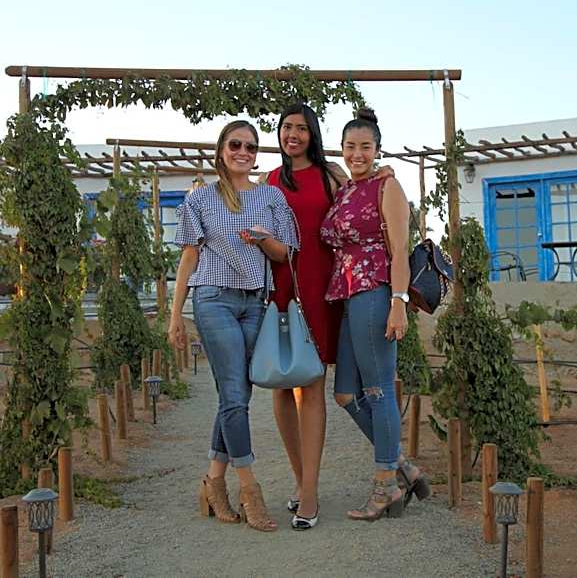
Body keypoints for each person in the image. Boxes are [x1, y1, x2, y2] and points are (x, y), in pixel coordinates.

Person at [169, 120, 299, 533]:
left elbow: (284, 254)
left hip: (254, 303)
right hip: (213, 300)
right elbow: (189, 258)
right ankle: (250, 489)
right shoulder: (201, 199)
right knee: (234, 397)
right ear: (221, 151)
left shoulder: (271, 197)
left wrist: (262, 238)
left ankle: (213, 482)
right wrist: (175, 315)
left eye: (250, 146)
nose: (243, 151)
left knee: (236, 395)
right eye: (235, 144)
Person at [320, 108, 431, 521]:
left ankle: (386, 485)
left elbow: (400, 249)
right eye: (350, 146)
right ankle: (402, 464)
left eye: (365, 147)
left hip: (376, 291)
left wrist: (398, 302)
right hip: (348, 295)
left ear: (377, 148)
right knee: (345, 393)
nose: (358, 154)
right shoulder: (347, 188)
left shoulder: (389, 187)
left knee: (379, 390)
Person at [264, 104, 345, 530]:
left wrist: (385, 176)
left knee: (311, 386)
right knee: (280, 388)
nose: (292, 134)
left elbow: (361, 201)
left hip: (320, 287)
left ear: (312, 134)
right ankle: (300, 480)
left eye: (300, 128)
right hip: (279, 287)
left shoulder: (332, 175)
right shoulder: (270, 180)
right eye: (285, 127)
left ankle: (310, 492)